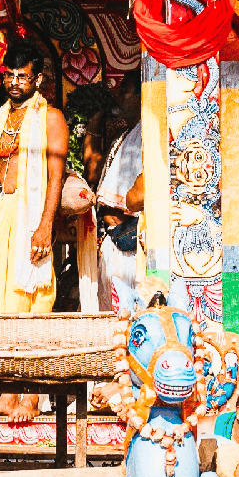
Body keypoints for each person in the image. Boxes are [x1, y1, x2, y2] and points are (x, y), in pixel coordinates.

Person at [0, 38, 69, 422]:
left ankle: (31, 396)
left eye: (24, 76)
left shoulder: (51, 117)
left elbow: (56, 176)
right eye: (10, 76)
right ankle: (6, 391)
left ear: (38, 79)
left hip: (26, 216)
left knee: (26, 302)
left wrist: (44, 225)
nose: (16, 82)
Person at [89, 71, 143, 311]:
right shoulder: (124, 137)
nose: (119, 97)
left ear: (143, 96)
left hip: (133, 247)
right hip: (114, 244)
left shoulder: (149, 133)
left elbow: (136, 199)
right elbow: (93, 174)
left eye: (125, 91)